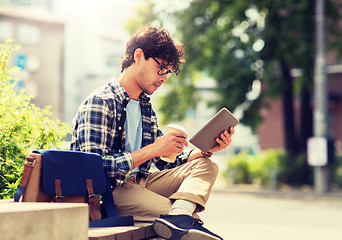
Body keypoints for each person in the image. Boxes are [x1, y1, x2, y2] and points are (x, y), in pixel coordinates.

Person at [70, 25, 235, 240]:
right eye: (161, 68)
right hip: (111, 191)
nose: (164, 77)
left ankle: (180, 217)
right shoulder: (101, 102)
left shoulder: (145, 107)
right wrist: (152, 149)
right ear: (139, 56)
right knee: (176, 214)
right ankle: (180, 217)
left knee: (206, 165)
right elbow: (94, 170)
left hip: (143, 181)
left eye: (168, 72)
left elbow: (165, 160)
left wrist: (202, 151)